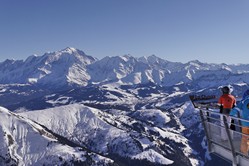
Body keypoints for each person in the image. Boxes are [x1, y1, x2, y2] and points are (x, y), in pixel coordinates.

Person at [230, 90, 249, 155]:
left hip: (245, 124)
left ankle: (244, 153)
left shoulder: (244, 101)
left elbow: (236, 109)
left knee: (244, 138)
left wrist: (230, 114)